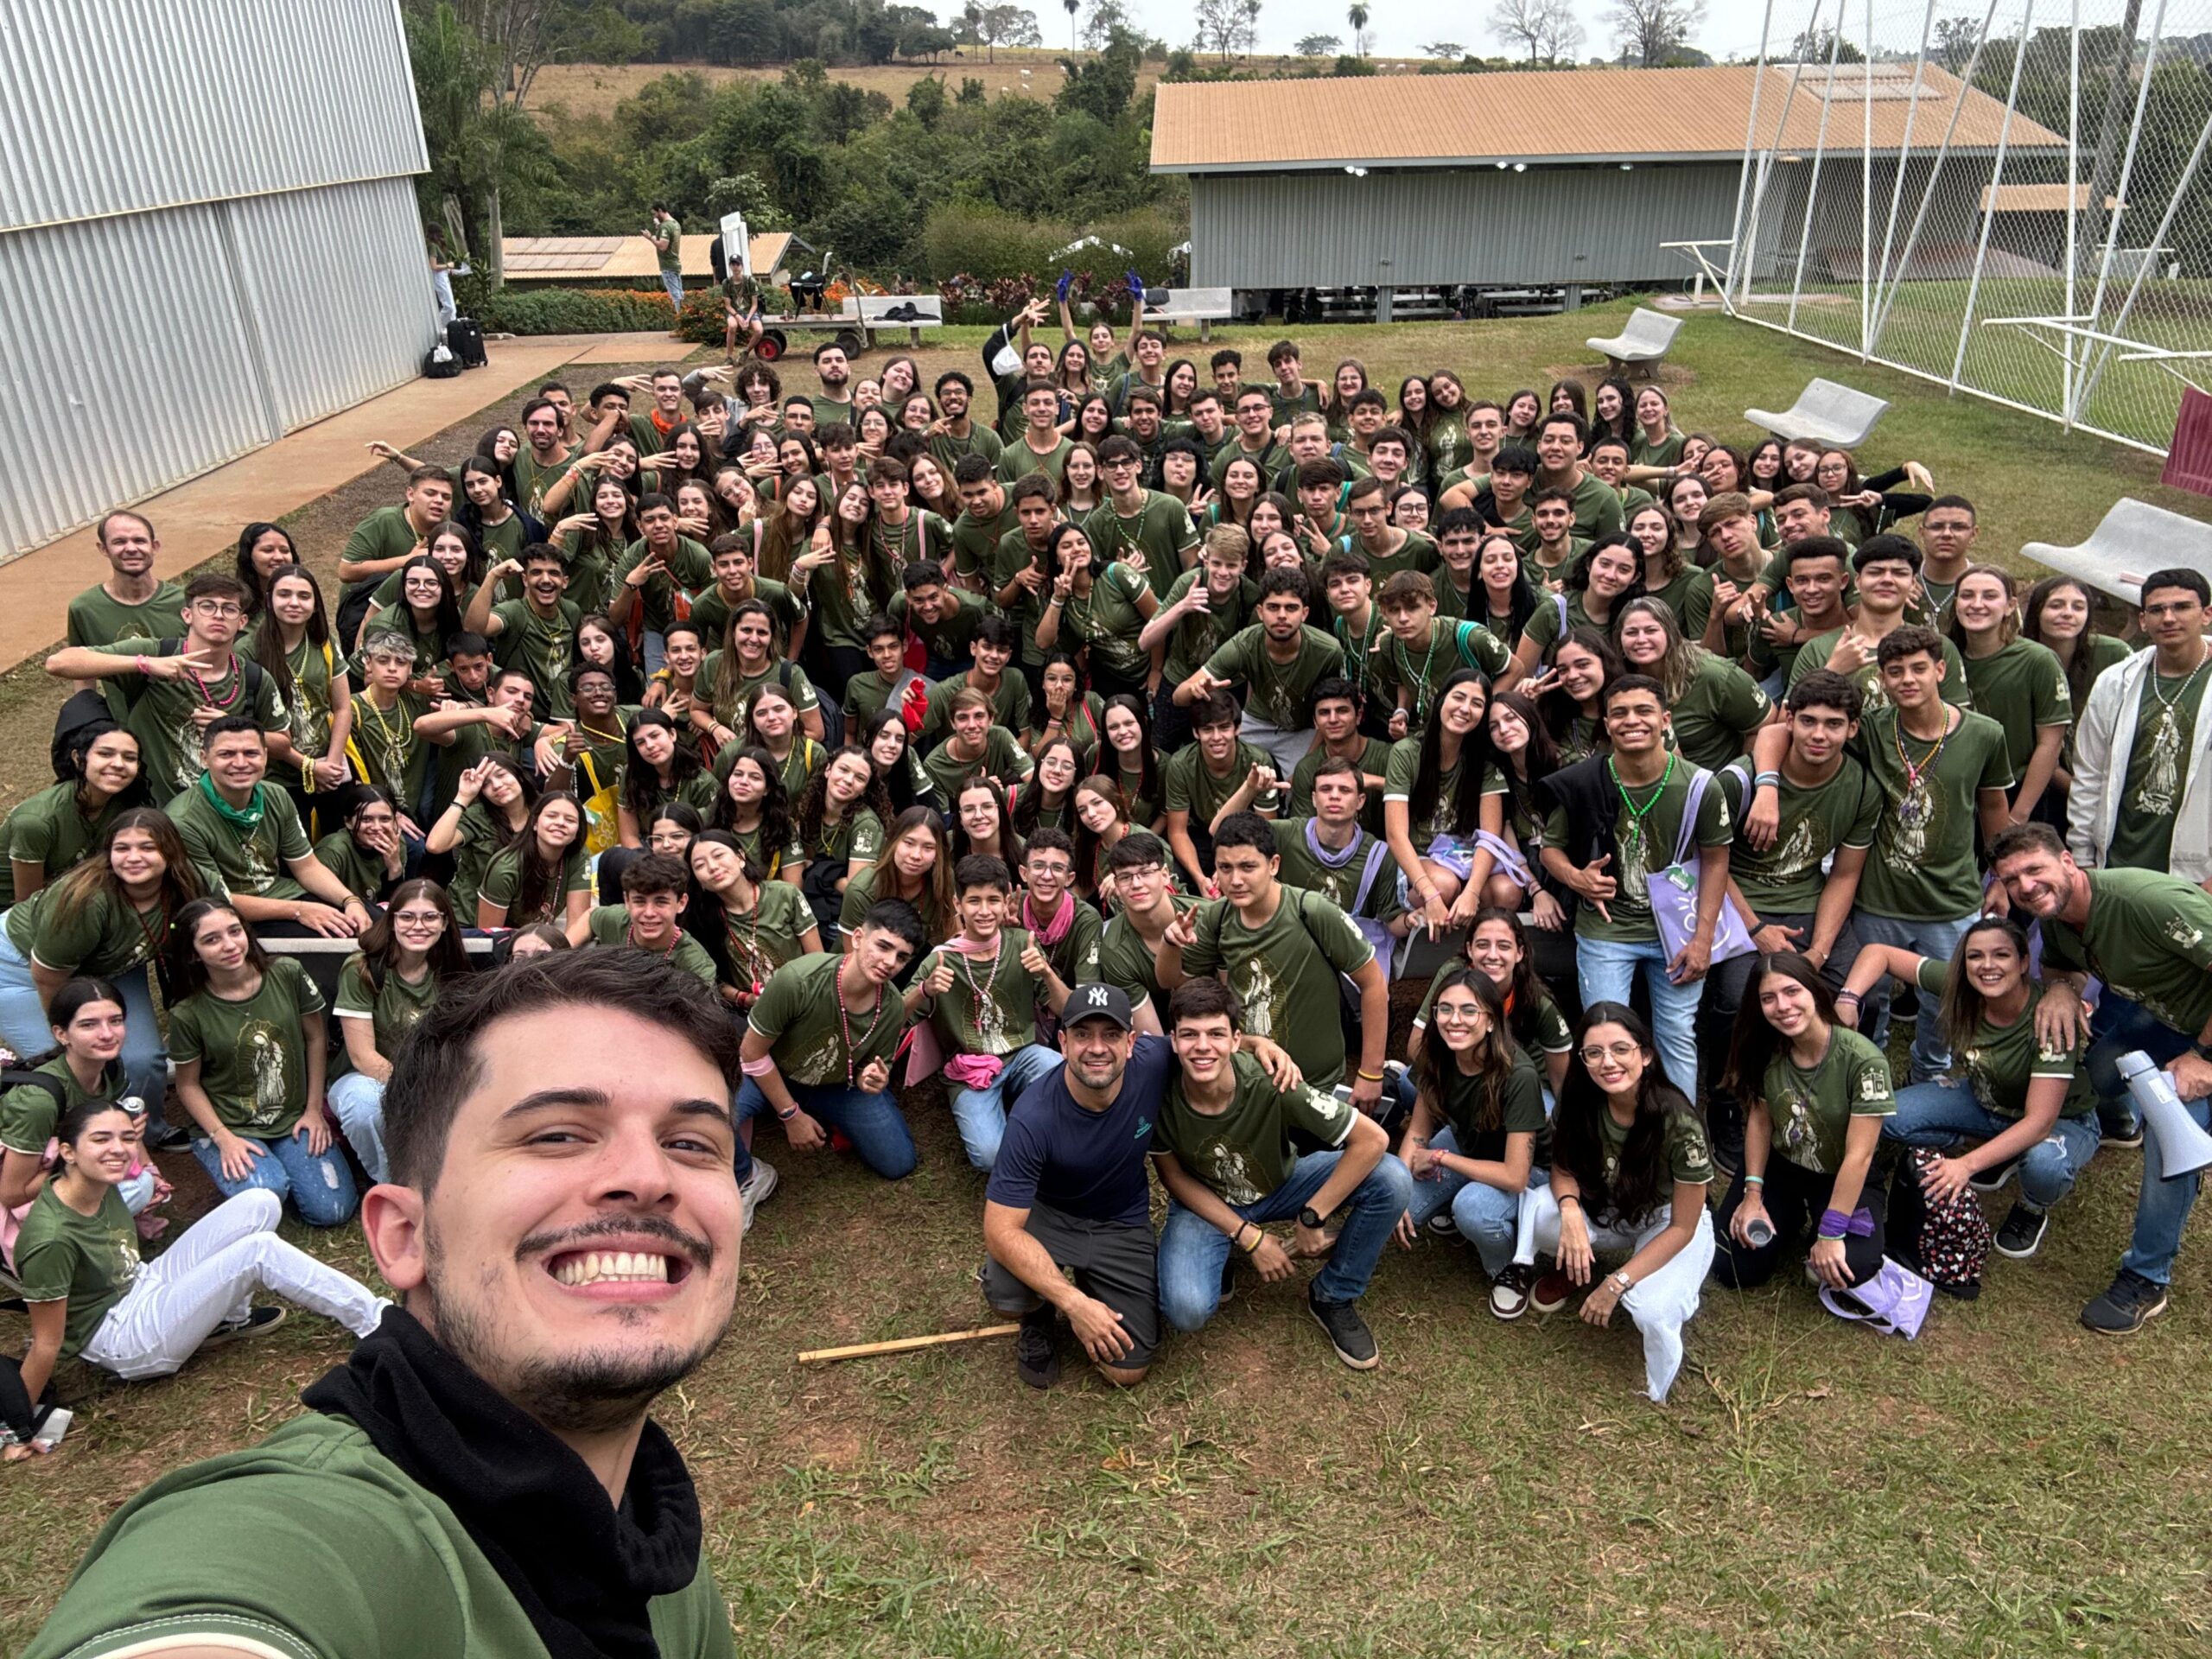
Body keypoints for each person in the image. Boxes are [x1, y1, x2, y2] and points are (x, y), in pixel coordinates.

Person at [22, 947, 747, 1656]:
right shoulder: (317, 1529)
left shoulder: (657, 1532)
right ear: (404, 1238)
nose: (648, 1176)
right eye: (558, 1134)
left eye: (691, 1142)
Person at [13, 1096, 384, 1426]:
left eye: (127, 1138)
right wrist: (18, 1423)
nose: (119, 1150)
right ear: (67, 1152)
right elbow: (47, 1342)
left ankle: (225, 1320)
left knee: (261, 1202)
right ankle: (375, 1320)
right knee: (259, 1251)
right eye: (100, 1140)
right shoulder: (50, 1238)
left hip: (143, 1282)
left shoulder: (98, 1180)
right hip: (124, 1336)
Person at [1992, 823, 2212, 1333]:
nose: (2025, 886)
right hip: (2165, 1022)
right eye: (2011, 879)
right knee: (2097, 1070)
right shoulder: (2060, 918)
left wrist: (2202, 1056)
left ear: (2068, 861)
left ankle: (2146, 1277)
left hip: (2202, 1036)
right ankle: (2119, 1123)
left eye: (2034, 869)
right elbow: (2059, 966)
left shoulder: (2144, 902)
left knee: (2172, 1140)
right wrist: (2064, 990)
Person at [1150, 978, 1407, 1367]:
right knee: (1186, 1310)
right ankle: (1224, 1252)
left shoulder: (1272, 1079)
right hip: (1206, 1201)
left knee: (1392, 1178)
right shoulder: (1155, 1090)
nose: (1202, 1046)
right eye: (1189, 1035)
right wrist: (1250, 1239)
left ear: (1237, 1040)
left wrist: (1312, 1215)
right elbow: (1173, 1178)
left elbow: (1372, 1140)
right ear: (1173, 1040)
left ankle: (1333, 1294)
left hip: (1281, 1183)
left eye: (1216, 1034)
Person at [1839, 919, 2099, 1262]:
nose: (1987, 966)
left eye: (2001, 955)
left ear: (2024, 962)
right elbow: (1880, 953)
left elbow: (2040, 1122)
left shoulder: (2050, 1019)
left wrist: (1965, 1166)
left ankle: (2032, 1207)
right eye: (1975, 956)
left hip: (2062, 1120)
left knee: (2043, 1166)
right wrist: (1847, 998)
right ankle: (2001, 1151)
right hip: (1985, 1098)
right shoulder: (1959, 987)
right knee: (1884, 1117)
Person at [1541, 675, 1732, 1096]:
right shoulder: (1584, 780)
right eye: (1620, 713)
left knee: (1677, 1033)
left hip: (1677, 930)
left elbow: (1717, 861)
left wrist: (1703, 940)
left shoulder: (1700, 785)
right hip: (1606, 928)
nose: (1632, 721)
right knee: (1607, 1032)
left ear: (1665, 720)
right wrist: (1578, 879)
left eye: (1644, 711)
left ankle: (1679, 1128)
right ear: (1607, 724)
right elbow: (1549, 850)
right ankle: (1616, 1127)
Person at [1516, 1004, 1716, 1403]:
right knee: (1540, 1212)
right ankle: (1577, 1270)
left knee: (1649, 1310)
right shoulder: (1579, 1099)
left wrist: (1617, 1283)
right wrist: (1570, 1209)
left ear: (1645, 1054)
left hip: (1666, 1221)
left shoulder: (1679, 1122)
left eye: (1620, 1049)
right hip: (1604, 1209)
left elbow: (1683, 1226)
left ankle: (1668, 1289)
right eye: (1594, 1052)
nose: (1608, 1062)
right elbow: (1562, 1168)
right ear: (1583, 1059)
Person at [982, 982, 1165, 1389]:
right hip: (1052, 1216)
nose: (1096, 1048)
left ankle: (1081, 1279)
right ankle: (1041, 1310)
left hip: (1122, 1220)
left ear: (1133, 1042)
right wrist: (1074, 1303)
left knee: (1127, 1370)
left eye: (1111, 1035)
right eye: (1082, 1034)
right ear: (1063, 1043)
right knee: (1007, 1295)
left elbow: (1210, 1045)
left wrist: (1261, 1045)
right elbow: (999, 1230)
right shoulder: (1032, 1116)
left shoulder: (1154, 1062)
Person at [0, 810, 206, 1148]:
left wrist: (297, 909)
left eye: (148, 847)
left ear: (171, 852)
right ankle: (76, 1151)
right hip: (20, 972)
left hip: (111, 964)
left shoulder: (189, 880)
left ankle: (148, 1132)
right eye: (122, 848)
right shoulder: (86, 900)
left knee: (141, 1059)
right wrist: (69, 1036)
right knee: (79, 1066)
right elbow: (47, 976)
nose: (134, 858)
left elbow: (223, 912)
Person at [1158, 812, 1389, 1101]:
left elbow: (1373, 983)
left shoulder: (1313, 911)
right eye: (1225, 868)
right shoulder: (1217, 917)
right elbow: (1173, 980)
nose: (1236, 880)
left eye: (1248, 867)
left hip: (1316, 1084)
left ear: (1274, 865)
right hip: (1250, 1077)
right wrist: (1170, 943)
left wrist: (1370, 1072)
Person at [167, 897, 356, 1227]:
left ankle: (285, 1164)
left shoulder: (287, 973)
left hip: (293, 1116)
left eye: (235, 931)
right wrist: (222, 1137)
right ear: (193, 953)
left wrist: (314, 1109)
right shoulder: (188, 1013)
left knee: (333, 1211)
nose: (229, 945)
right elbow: (187, 1084)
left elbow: (315, 1038)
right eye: (211, 940)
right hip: (232, 1125)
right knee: (267, 1192)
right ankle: (241, 1161)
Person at [1713, 953, 1891, 1292]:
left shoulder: (1864, 1060)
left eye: (1792, 991)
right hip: (1783, 1167)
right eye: (1768, 998)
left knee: (1849, 1268)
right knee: (1732, 1266)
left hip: (1842, 1172)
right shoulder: (1766, 1048)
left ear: (1814, 991)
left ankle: (1820, 1225)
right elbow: (1760, 1121)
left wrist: (1831, 1232)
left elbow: (1860, 1156)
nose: (1782, 1005)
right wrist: (1753, 1195)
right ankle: (1788, 1215)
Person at [46, 574, 292, 798]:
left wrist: (233, 727)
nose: (218, 615)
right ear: (187, 614)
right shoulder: (156, 654)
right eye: (207, 606)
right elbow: (59, 663)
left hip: (224, 812)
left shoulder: (253, 677)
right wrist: (144, 664)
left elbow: (282, 743)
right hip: (156, 813)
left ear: (242, 621)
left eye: (229, 609)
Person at [735, 901, 927, 1187]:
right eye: (883, 947)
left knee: (898, 1163)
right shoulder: (799, 979)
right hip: (773, 1072)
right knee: (719, 1115)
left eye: (901, 957)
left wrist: (871, 1079)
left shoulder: (892, 1007)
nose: (889, 962)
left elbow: (876, 1064)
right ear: (859, 938)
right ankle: (746, 1176)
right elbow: (751, 1052)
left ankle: (831, 1116)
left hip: (838, 1085)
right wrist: (791, 1114)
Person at [1396, 967, 1551, 1319]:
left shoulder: (1518, 1075)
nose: (1455, 1020)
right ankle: (1453, 1209)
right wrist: (1399, 1185)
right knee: (1400, 1202)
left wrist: (1440, 1158)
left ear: (1492, 1021)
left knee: (1472, 1209)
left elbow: (1515, 1176)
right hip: (1469, 1146)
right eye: (1445, 1010)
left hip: (1532, 1174)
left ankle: (1512, 1267)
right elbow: (1418, 1129)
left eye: (1469, 1011)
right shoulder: (1437, 1056)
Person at [912, 855, 1072, 1171]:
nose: (984, 911)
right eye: (974, 901)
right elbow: (898, 1017)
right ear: (958, 904)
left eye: (993, 901)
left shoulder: (1021, 944)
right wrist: (924, 990)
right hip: (969, 1068)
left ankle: (1037, 1128)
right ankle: (1014, 1128)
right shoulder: (941, 960)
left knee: (1063, 1074)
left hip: (1023, 1054)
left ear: (1006, 903)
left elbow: (1066, 1008)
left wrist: (1047, 974)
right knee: (990, 1157)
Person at [2067, 567, 2212, 887]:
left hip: (2198, 871)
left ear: (2206, 614)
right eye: (2157, 610)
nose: (2169, 618)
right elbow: (2089, 773)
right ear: (2144, 621)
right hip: (2118, 865)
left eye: (2182, 607)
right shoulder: (2116, 682)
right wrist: (2083, 857)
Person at [166, 718, 373, 939]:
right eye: (226, 754)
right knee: (338, 936)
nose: (240, 763)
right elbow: (217, 900)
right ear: (204, 758)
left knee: (376, 923)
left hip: (285, 894)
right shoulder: (183, 820)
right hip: (231, 915)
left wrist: (349, 900)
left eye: (251, 753)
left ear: (265, 756)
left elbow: (306, 867)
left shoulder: (277, 795)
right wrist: (299, 911)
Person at [327, 880, 467, 1185]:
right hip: (361, 1078)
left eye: (430, 917)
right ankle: (394, 1185)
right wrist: (417, 1094)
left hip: (427, 1078)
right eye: (407, 917)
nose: (418, 926)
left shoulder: (451, 971)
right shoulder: (363, 969)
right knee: (364, 1105)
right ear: (391, 922)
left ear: (444, 923)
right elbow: (362, 1057)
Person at [0, 977, 156, 1221]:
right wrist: (87, 1158)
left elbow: (122, 1124)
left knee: (143, 1182)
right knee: (133, 1188)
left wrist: (150, 1169)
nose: (107, 1034)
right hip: (19, 1199)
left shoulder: (110, 1068)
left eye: (115, 1021)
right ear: (62, 1034)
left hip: (69, 1164)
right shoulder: (39, 1101)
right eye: (88, 1025)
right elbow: (11, 1194)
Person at [1947, 564, 2069, 826]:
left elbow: (2050, 743)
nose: (1977, 604)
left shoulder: (2038, 660)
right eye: (1967, 595)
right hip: (1959, 792)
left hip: (2018, 792)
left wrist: (2019, 815)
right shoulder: (1945, 656)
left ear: (2010, 605)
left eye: (1990, 596)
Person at [3, 721, 143, 905]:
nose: (118, 764)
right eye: (105, 754)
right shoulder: (36, 821)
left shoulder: (122, 805)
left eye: (130, 758)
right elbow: (27, 905)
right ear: (78, 758)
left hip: (72, 896)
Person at [569, 852, 716, 985]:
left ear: (681, 903)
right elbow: (591, 916)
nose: (649, 913)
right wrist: (564, 946)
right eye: (639, 901)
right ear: (627, 901)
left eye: (661, 902)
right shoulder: (617, 920)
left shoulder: (696, 965)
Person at [64, 511, 185, 653]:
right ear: (104, 549)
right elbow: (79, 665)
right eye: (119, 542)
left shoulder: (184, 601)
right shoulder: (84, 609)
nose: (131, 549)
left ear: (155, 547)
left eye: (139, 540)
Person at [646, 201, 683, 311]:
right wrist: (658, 226)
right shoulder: (675, 224)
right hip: (675, 264)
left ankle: (681, 318)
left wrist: (650, 238)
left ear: (660, 211)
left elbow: (662, 246)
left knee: (676, 296)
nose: (654, 216)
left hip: (668, 266)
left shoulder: (666, 227)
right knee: (680, 293)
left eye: (655, 213)